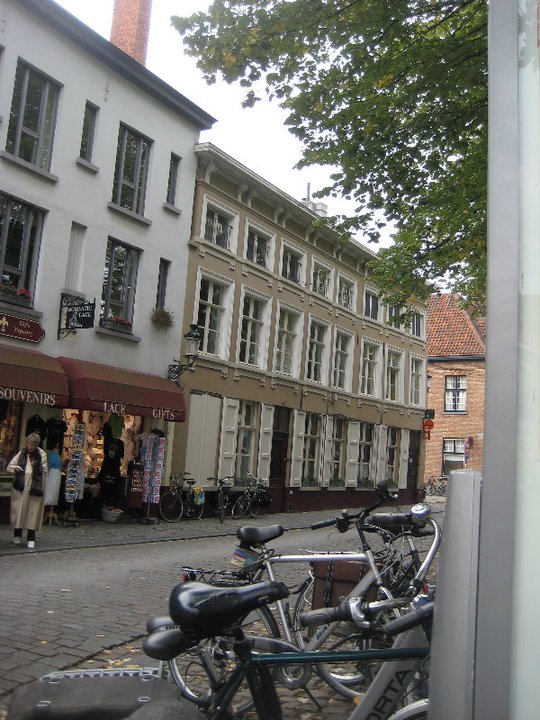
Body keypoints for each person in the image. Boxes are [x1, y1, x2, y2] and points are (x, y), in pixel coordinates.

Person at [7, 432, 48, 549]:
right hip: (21, 488)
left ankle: (31, 537)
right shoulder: (22, 454)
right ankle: (17, 534)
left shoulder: (42, 455)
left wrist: (40, 487)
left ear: (36, 445)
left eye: (32, 445)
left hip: (34, 488)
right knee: (19, 512)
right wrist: (16, 468)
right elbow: (9, 467)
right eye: (28, 444)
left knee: (32, 514)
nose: (29, 447)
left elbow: (44, 473)